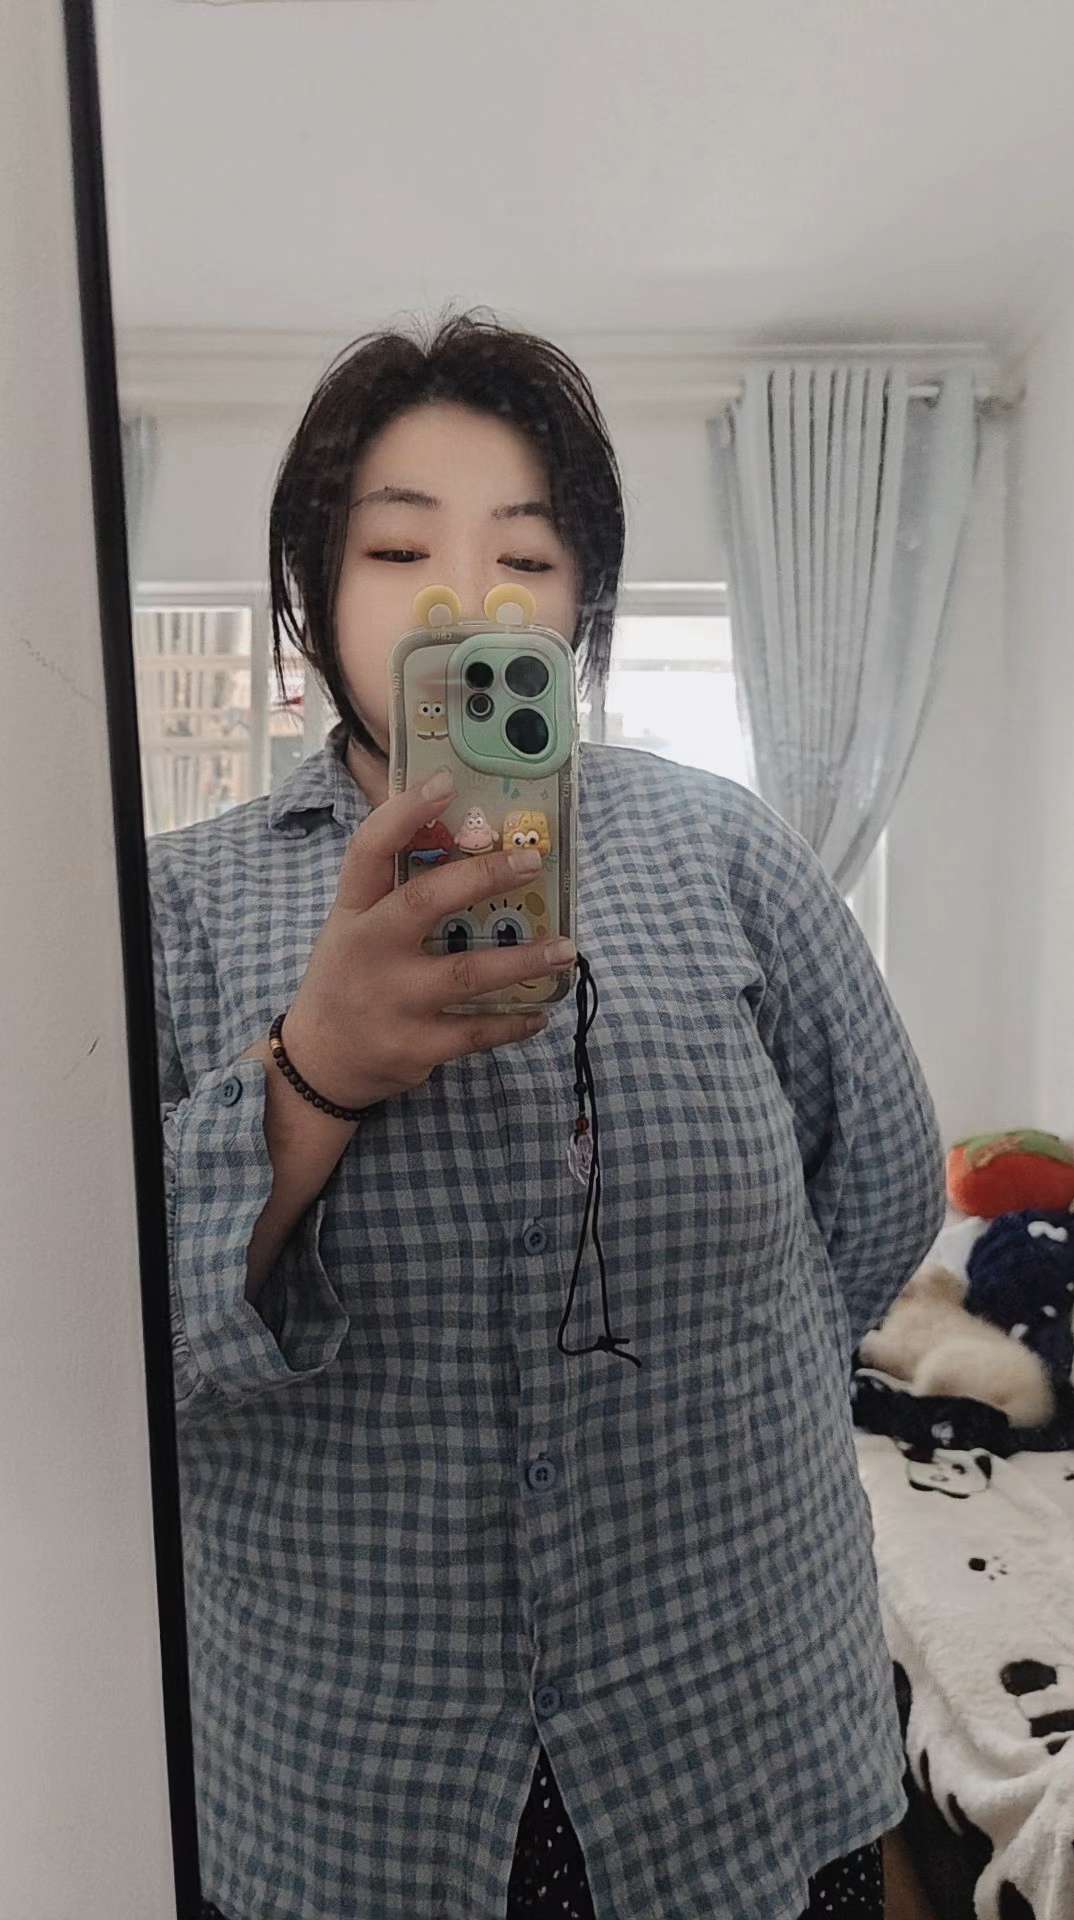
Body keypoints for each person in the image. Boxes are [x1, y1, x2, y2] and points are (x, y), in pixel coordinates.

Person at [150, 310, 944, 1920]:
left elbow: (879, 1188)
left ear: (584, 606)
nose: (466, 604)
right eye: (397, 550)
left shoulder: (725, 849)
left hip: (736, 1734)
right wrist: (313, 1074)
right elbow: (107, 1343)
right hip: (348, 1789)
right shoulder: (176, 908)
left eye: (527, 557)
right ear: (311, 592)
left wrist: (726, 1389)